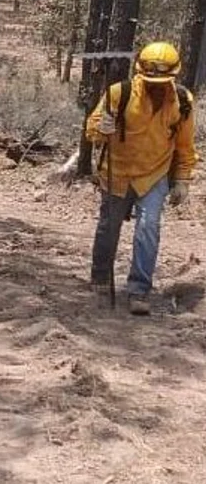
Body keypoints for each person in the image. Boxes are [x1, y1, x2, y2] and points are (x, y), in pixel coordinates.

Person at [87, 42, 197, 315]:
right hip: (118, 173)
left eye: (161, 82)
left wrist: (182, 179)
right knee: (109, 227)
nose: (155, 87)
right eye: (150, 81)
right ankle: (101, 279)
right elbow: (92, 129)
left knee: (149, 228)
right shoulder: (118, 93)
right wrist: (102, 128)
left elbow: (184, 146)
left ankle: (139, 290)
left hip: (154, 175)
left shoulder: (182, 102)